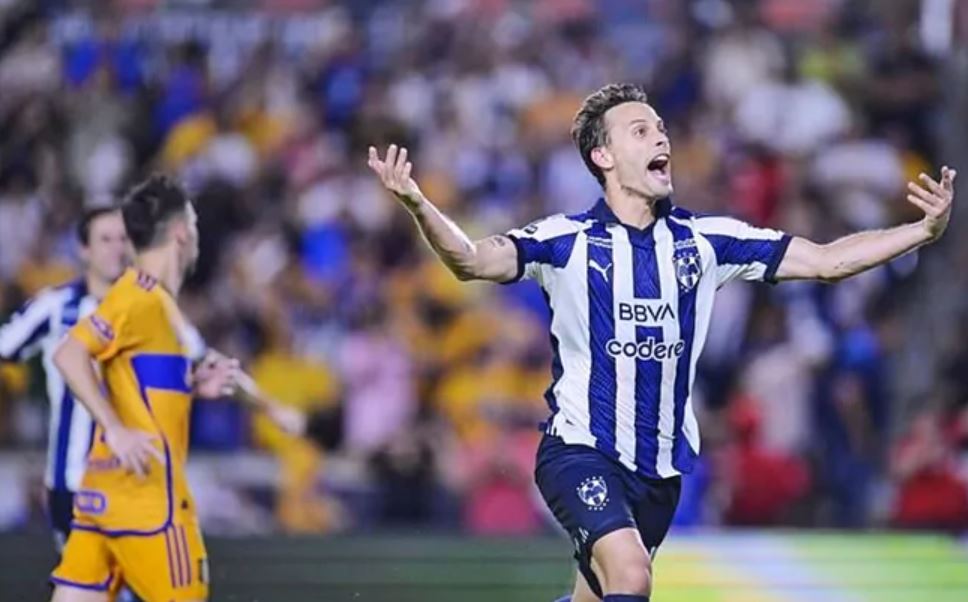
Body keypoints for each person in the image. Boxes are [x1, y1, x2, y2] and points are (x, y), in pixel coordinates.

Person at [367, 82, 957, 602]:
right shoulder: (564, 241)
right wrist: (419, 203)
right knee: (632, 576)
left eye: (662, 128)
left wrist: (920, 232)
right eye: (640, 129)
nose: (661, 139)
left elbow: (826, 261)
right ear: (603, 155)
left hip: (660, 473)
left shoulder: (708, 240)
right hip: (579, 451)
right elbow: (471, 261)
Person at [48, 174, 302, 602]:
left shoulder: (161, 308)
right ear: (182, 233)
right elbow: (69, 353)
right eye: (195, 225)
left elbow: (146, 379)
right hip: (153, 508)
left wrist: (199, 390)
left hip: (102, 499)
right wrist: (113, 426)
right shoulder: (140, 297)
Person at [0, 208, 128, 552]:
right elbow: (5, 345)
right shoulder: (56, 307)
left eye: (123, 238)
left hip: (136, 480)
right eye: (105, 239)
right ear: (84, 249)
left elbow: (194, 357)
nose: (116, 248)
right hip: (73, 480)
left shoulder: (150, 308)